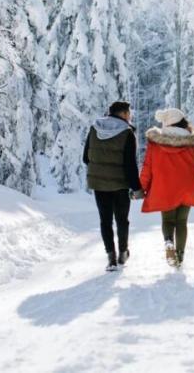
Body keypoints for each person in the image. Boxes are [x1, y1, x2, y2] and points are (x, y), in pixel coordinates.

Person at [139, 108, 194, 267]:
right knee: (181, 221)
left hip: (164, 187)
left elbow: (147, 167)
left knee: (167, 220)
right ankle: (180, 255)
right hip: (188, 186)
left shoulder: (156, 142)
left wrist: (141, 187)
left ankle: (168, 242)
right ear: (182, 122)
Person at [83, 101, 144, 272]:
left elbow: (85, 157)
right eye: (129, 113)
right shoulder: (127, 132)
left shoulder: (95, 128)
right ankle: (123, 253)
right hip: (120, 184)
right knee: (122, 220)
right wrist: (137, 188)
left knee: (105, 221)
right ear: (124, 113)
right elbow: (130, 164)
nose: (130, 116)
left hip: (99, 183)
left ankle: (111, 257)